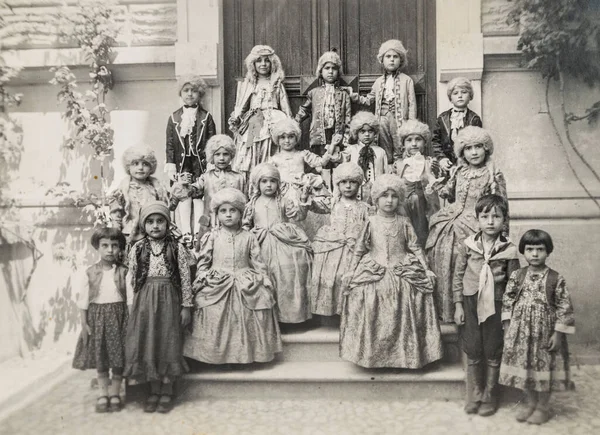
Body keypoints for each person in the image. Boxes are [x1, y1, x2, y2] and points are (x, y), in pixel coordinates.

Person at [340, 174, 442, 368]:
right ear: (376, 198)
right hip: (374, 267)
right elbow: (360, 249)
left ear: (400, 199)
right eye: (384, 196)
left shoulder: (404, 222)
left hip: (401, 265)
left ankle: (407, 355)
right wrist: (351, 272)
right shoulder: (370, 221)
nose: (389, 200)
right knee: (363, 293)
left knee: (415, 292)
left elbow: (415, 247)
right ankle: (372, 355)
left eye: (394, 196)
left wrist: (426, 269)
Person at [184, 188, 282, 363]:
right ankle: (216, 355)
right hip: (218, 279)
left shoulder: (249, 237)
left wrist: (263, 278)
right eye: (223, 211)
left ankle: (246, 354)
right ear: (217, 214)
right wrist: (204, 277)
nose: (228, 215)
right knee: (207, 303)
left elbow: (258, 262)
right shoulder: (212, 236)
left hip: (245, 278)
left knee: (260, 299)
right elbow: (204, 262)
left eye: (233, 210)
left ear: (241, 213)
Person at [426, 126, 507, 324]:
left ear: (486, 148)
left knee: (464, 258)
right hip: (453, 216)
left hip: (476, 222)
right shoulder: (460, 171)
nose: (474, 152)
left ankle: (469, 311)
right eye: (469, 148)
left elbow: (501, 207)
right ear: (462, 152)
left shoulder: (492, 174)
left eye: (478, 147)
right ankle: (446, 310)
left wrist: (502, 237)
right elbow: (449, 193)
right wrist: (437, 185)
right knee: (439, 251)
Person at [453, 194, 520, 417]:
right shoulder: (468, 245)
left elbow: (514, 284)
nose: (490, 221)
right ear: (477, 220)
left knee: (493, 350)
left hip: (497, 304)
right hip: (471, 301)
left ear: (504, 220)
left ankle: (491, 395)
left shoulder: (509, 249)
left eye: (496, 216)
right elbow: (458, 275)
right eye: (485, 216)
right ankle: (475, 394)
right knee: (472, 349)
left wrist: (508, 314)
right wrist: (458, 305)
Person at [500, 229, 575, 425]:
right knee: (525, 370)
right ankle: (531, 403)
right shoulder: (517, 275)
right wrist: (508, 329)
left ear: (548, 251)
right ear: (523, 251)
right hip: (521, 333)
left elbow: (564, 307)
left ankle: (543, 406)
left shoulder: (555, 278)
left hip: (545, 334)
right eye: (530, 249)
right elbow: (507, 301)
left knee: (543, 371)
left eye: (540, 249)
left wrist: (558, 335)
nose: (534, 254)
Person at [124, 201, 192, 413]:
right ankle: (154, 390)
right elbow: (131, 278)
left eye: (160, 221)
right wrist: (132, 305)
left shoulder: (177, 248)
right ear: (144, 225)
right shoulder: (137, 248)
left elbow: (185, 277)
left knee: (167, 341)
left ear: (167, 223)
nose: (155, 226)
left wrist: (186, 306)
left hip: (169, 300)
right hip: (145, 300)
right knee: (150, 342)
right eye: (150, 222)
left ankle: (167, 390)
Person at [242, 163, 313, 324]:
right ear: (257, 184)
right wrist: (247, 236)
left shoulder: (283, 201)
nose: (268, 185)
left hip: (282, 239)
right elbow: (246, 224)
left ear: (278, 184)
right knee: (263, 271)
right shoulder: (252, 204)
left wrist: (303, 199)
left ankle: (287, 316)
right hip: (260, 241)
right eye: (264, 181)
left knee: (289, 268)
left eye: (272, 181)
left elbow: (298, 216)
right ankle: (266, 317)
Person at [72, 227, 128, 413]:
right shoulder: (89, 272)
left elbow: (131, 298)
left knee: (119, 358)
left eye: (114, 246)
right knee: (102, 357)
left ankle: (115, 393)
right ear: (97, 247)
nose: (110, 250)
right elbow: (83, 301)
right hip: (97, 318)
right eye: (105, 245)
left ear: (120, 248)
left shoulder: (124, 272)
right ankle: (103, 393)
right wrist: (84, 323)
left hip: (120, 317)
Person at [310, 162, 370, 316]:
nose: (348, 186)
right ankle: (333, 311)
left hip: (354, 248)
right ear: (338, 184)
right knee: (332, 276)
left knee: (351, 277)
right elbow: (314, 206)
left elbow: (370, 227)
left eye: (352, 182)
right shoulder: (333, 203)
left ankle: (352, 312)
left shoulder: (364, 207)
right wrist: (305, 196)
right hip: (333, 248)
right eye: (343, 182)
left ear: (359, 184)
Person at [165, 75, 217, 247]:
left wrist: (211, 162)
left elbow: (212, 141)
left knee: (199, 196)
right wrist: (171, 165)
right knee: (183, 195)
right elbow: (171, 144)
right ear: (181, 93)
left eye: (194, 91)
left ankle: (198, 232)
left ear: (200, 94)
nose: (190, 94)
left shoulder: (206, 117)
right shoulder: (174, 118)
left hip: (200, 163)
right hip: (182, 163)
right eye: (186, 90)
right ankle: (185, 231)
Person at [228, 45, 292, 185]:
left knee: (273, 151)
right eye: (259, 61)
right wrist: (236, 119)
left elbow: (285, 105)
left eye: (266, 60)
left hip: (275, 120)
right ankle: (253, 185)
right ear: (253, 64)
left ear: (272, 63)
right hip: (255, 121)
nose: (263, 64)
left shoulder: (276, 83)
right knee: (251, 150)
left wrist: (289, 125)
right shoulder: (249, 83)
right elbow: (241, 106)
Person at [348, 39, 417, 162]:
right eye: (388, 56)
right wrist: (354, 96)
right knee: (384, 144)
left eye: (395, 57)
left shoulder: (406, 80)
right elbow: (369, 100)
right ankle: (387, 168)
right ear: (382, 60)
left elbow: (412, 104)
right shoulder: (378, 82)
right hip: (382, 119)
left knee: (399, 144)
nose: (391, 59)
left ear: (400, 60)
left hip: (399, 120)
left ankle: (399, 168)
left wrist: (411, 124)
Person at [171, 134, 245, 242]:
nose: (221, 158)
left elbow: (245, 202)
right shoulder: (206, 177)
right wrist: (185, 188)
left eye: (225, 154)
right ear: (211, 157)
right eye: (217, 154)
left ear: (231, 155)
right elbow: (194, 190)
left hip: (233, 221)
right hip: (211, 222)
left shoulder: (239, 178)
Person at [295, 50, 350, 188]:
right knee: (321, 163)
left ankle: (337, 191)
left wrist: (346, 138)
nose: (330, 72)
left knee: (336, 162)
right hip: (319, 135)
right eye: (327, 68)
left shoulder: (343, 94)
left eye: (334, 68)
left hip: (337, 135)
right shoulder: (314, 93)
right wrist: (294, 123)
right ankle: (324, 191)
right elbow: (304, 110)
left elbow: (348, 118)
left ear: (338, 71)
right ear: (321, 71)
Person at [392, 120, 442, 247]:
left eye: (418, 139)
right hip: (403, 206)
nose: (414, 144)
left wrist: (433, 171)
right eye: (409, 140)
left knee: (422, 233)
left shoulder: (430, 161)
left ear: (425, 142)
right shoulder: (398, 164)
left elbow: (435, 184)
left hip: (423, 205)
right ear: (403, 144)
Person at [108, 146, 168, 245]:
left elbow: (165, 211)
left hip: (154, 236)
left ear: (151, 167)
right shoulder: (121, 191)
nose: (140, 167)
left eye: (145, 164)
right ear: (128, 166)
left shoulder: (156, 189)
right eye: (135, 164)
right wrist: (117, 241)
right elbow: (116, 218)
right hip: (130, 236)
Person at [432, 77, 482, 170]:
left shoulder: (474, 119)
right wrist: (441, 158)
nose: (460, 96)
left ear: (470, 96)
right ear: (450, 97)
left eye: (464, 92)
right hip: (447, 163)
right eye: (455, 93)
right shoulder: (442, 118)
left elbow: (478, 143)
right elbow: (435, 141)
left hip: (467, 163)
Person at [342, 111, 388, 204]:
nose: (367, 134)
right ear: (356, 133)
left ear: (375, 132)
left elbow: (385, 173)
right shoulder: (351, 150)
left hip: (375, 190)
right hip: (357, 191)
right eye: (363, 131)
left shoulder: (380, 152)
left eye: (370, 131)